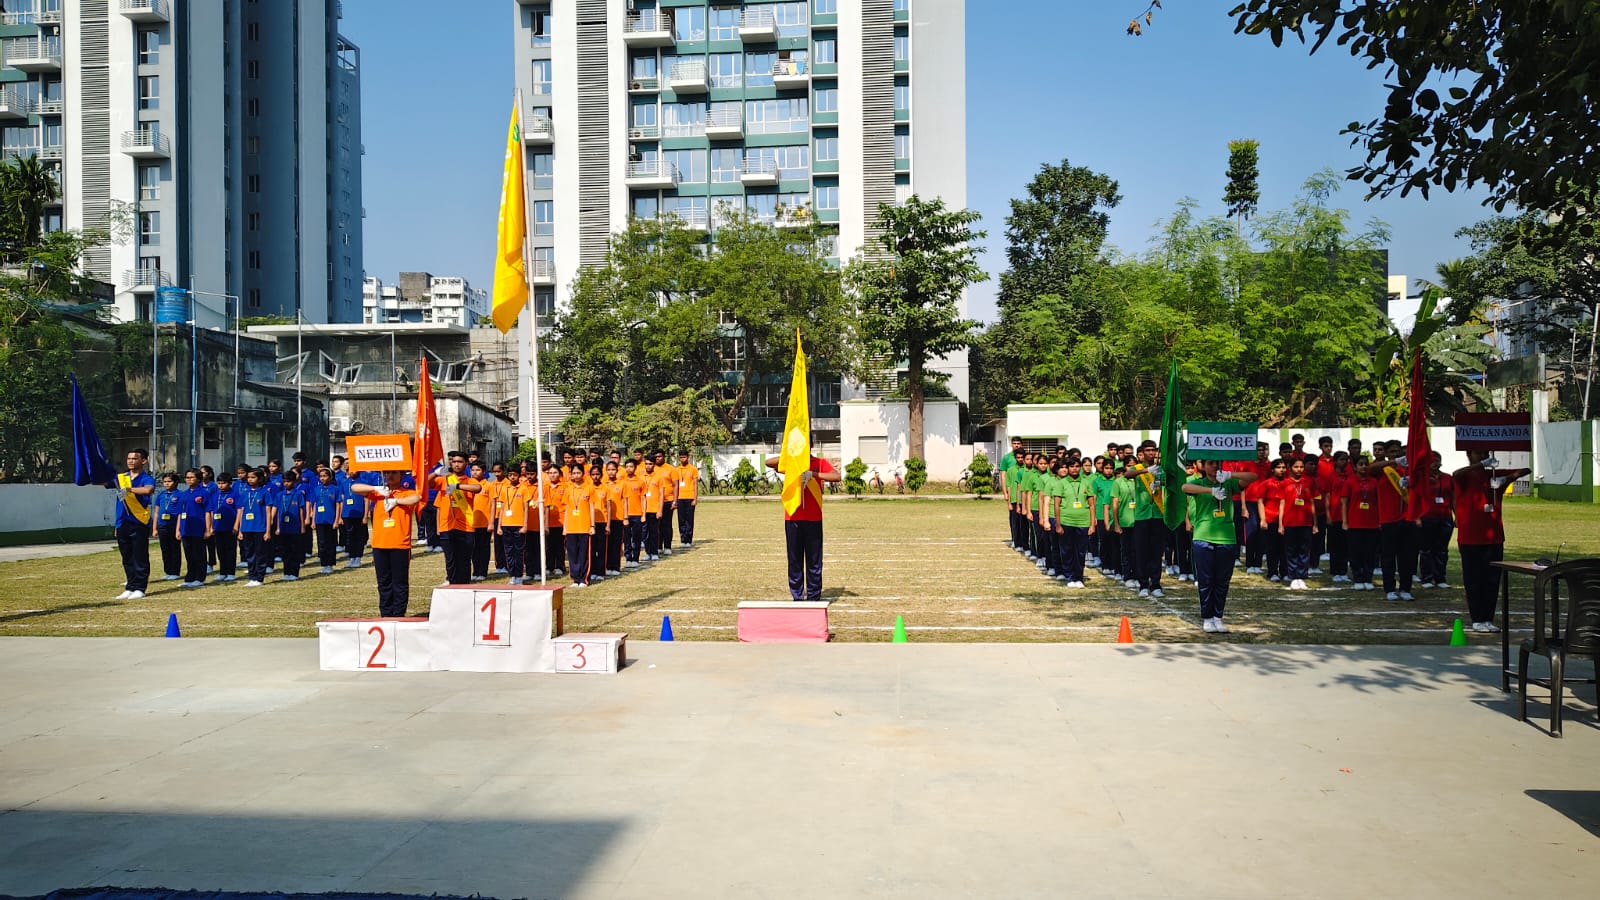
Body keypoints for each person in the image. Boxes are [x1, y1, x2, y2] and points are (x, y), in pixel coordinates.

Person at [1453, 450, 1531, 632]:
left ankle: (1488, 618)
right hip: (1470, 537)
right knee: (1473, 580)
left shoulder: (1493, 475)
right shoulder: (1465, 477)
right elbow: (1456, 474)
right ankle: (1477, 618)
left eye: (1485, 453)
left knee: (1492, 581)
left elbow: (1526, 470)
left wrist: (1507, 479)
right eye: (1478, 453)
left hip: (1493, 537)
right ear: (1469, 455)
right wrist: (1482, 464)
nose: (1482, 456)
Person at [1181, 460, 1259, 633]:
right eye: (1210, 464)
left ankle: (1218, 617)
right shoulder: (1199, 483)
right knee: (1206, 580)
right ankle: (1207, 618)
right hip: (1203, 536)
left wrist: (1230, 475)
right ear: (1203, 466)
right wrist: (1210, 491)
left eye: (1217, 464)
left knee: (1222, 581)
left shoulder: (1228, 483)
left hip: (1226, 537)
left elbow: (1253, 477)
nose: (1214, 467)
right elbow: (1185, 487)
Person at [764, 452, 842, 602]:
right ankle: (797, 597)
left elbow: (836, 476)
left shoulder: (819, 462)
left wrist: (813, 474)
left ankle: (813, 597)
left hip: (814, 518)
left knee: (814, 561)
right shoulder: (791, 462)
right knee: (794, 560)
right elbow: (769, 462)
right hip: (793, 517)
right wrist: (789, 455)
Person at [351, 471, 423, 616]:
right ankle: (386, 614)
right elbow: (354, 487)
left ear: (401, 475)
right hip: (380, 544)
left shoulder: (406, 492)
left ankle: (399, 614)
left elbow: (416, 498)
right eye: (387, 473)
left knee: (399, 583)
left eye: (394, 473)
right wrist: (375, 488)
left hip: (399, 544)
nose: (390, 476)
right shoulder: (378, 493)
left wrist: (396, 501)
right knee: (383, 583)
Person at [111, 449, 158, 600]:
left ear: (143, 461)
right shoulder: (121, 478)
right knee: (127, 557)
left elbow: (148, 490)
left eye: (134, 458)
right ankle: (130, 586)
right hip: (122, 522)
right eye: (129, 458)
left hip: (138, 522)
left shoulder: (146, 478)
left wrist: (129, 489)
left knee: (139, 556)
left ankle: (140, 587)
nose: (130, 461)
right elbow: (105, 484)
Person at [431, 451, 483, 585]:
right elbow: (427, 483)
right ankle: (452, 584)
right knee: (450, 560)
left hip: (466, 527)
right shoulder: (444, 480)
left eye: (460, 462)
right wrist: (436, 472)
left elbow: (477, 488)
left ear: (466, 464)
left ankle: (464, 586)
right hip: (447, 526)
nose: (456, 464)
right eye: (454, 462)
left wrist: (457, 486)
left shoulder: (470, 480)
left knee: (464, 561)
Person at [1053, 457, 1095, 588]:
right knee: (1067, 550)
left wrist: (1092, 524)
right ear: (1067, 468)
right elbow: (1056, 504)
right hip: (1066, 521)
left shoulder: (1086, 483)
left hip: (1083, 522)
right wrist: (1058, 524)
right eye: (1071, 466)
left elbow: (1092, 504)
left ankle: (1078, 577)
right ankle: (1069, 577)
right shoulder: (1061, 483)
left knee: (1081, 551)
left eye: (1077, 466)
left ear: (1080, 467)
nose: (1074, 469)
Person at [1277, 457, 1319, 590]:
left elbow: (1312, 502)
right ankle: (1293, 577)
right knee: (1291, 550)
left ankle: (1302, 576)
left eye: (1301, 467)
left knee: (1304, 550)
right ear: (1290, 468)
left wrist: (1315, 523)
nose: (1299, 469)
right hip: (1290, 522)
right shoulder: (1284, 483)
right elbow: (1282, 503)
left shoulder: (1308, 482)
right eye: (1296, 467)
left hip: (1305, 522)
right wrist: (1280, 524)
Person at [1341, 457, 1382, 591]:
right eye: (1360, 464)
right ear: (1355, 467)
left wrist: (1380, 520)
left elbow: (1379, 502)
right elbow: (1344, 503)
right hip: (1355, 523)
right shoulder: (1350, 481)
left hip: (1372, 522)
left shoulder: (1374, 481)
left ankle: (1368, 578)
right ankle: (1358, 578)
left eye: (1366, 464)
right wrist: (1345, 521)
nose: (1364, 467)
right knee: (1355, 553)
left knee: (1370, 553)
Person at [1417, 451, 1456, 589]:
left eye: (1437, 460)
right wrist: (1417, 517)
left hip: (1445, 517)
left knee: (1442, 550)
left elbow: (1453, 497)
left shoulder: (1448, 478)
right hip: (1427, 516)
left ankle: (1440, 578)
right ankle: (1426, 578)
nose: (1434, 463)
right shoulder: (1422, 479)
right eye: (1431, 461)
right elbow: (1416, 498)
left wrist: (1457, 515)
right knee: (1426, 549)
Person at [236, 468, 276, 587]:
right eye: (248, 477)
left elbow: (268, 512)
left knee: (260, 554)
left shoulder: (264, 492)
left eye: (253, 477)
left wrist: (268, 531)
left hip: (260, 528)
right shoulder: (245, 493)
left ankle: (259, 578)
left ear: (259, 479)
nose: (250, 479)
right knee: (249, 554)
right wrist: (240, 530)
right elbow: (242, 511)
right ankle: (252, 577)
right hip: (246, 528)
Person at [563, 464, 601, 587]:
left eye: (578, 473)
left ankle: (584, 579)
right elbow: (567, 508)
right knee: (572, 554)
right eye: (574, 473)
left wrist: (592, 525)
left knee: (584, 554)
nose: (576, 475)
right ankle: (575, 578)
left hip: (584, 526)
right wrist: (565, 527)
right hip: (571, 527)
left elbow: (591, 508)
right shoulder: (569, 489)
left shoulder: (589, 488)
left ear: (583, 474)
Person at [177, 468, 213, 587]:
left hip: (198, 528)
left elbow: (208, 512)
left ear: (198, 479)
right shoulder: (184, 494)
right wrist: (178, 529)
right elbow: (180, 513)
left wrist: (208, 529)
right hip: (186, 528)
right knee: (189, 554)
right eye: (187, 478)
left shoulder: (203, 493)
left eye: (192, 477)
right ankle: (190, 577)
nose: (189, 480)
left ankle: (199, 578)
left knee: (199, 554)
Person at [275, 469, 309, 581]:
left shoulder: (298, 494)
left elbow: (301, 511)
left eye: (288, 481)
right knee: (285, 550)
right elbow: (278, 512)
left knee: (294, 550)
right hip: (283, 527)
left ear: (294, 482)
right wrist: (278, 527)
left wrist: (302, 526)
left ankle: (294, 573)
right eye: (284, 481)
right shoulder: (280, 495)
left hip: (295, 527)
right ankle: (286, 572)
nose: (286, 484)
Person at [496, 469, 530, 584]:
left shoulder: (523, 488)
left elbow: (526, 509)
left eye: (515, 475)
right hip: (506, 524)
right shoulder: (504, 488)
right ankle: (512, 575)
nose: (512, 477)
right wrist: (499, 526)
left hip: (519, 524)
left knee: (519, 551)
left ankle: (519, 575)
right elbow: (501, 509)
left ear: (519, 476)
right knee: (509, 551)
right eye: (510, 475)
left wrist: (525, 525)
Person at [311, 467, 344, 574]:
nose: (322, 478)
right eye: (321, 476)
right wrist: (313, 520)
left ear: (330, 477)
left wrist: (337, 520)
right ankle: (323, 563)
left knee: (331, 543)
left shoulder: (335, 489)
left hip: (331, 520)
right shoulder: (316, 489)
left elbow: (338, 505)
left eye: (325, 476)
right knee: (321, 543)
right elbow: (315, 504)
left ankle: (330, 564)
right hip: (320, 520)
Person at [209, 470, 239, 583]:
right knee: (220, 551)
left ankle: (231, 573)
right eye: (219, 483)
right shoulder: (215, 495)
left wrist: (236, 526)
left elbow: (239, 510)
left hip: (230, 527)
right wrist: (211, 526)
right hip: (218, 527)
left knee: (230, 550)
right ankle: (222, 572)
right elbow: (211, 511)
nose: (221, 485)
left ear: (230, 483)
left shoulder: (234, 494)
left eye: (223, 483)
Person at [155, 472, 184, 581]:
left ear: (175, 482)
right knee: (165, 549)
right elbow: (156, 512)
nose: (166, 484)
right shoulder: (161, 495)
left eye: (169, 481)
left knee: (174, 548)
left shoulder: (180, 495)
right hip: (162, 525)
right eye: (165, 482)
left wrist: (178, 529)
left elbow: (181, 513)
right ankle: (167, 571)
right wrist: (154, 528)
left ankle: (175, 571)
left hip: (174, 524)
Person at [469, 461, 494, 582]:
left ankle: (483, 571)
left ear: (484, 472)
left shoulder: (488, 486)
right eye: (473, 470)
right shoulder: (467, 485)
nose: (475, 472)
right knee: (473, 549)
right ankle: (475, 571)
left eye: (477, 470)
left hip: (484, 523)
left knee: (483, 548)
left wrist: (491, 522)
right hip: (470, 523)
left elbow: (492, 504)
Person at [621, 459, 645, 567]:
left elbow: (643, 499)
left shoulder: (640, 482)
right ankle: (628, 558)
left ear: (635, 468)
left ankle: (635, 558)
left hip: (637, 514)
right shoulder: (622, 482)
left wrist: (643, 514)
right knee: (626, 538)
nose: (628, 469)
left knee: (636, 537)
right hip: (625, 514)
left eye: (631, 466)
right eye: (627, 467)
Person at [654, 450, 677, 555]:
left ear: (664, 457)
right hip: (656, 502)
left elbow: (675, 485)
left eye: (659, 456)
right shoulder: (652, 468)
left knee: (666, 524)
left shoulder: (671, 469)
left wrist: (675, 501)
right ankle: (658, 546)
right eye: (656, 457)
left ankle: (667, 546)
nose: (657, 458)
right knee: (656, 526)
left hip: (668, 500)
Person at [675, 449, 700, 546]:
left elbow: (695, 484)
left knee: (689, 519)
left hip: (690, 497)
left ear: (688, 457)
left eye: (684, 457)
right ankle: (683, 539)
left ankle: (688, 540)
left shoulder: (693, 469)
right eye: (681, 457)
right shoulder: (677, 470)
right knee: (681, 519)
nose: (683, 459)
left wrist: (695, 499)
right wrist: (675, 499)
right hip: (680, 498)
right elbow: (675, 485)